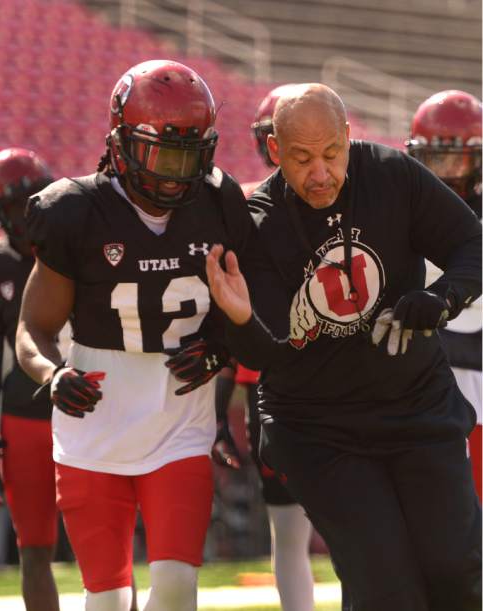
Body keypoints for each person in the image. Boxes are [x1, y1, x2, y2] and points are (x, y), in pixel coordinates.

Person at [204, 83, 482, 611]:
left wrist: (443, 297)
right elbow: (267, 354)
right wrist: (239, 319)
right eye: (303, 159)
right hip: (320, 429)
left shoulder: (391, 174)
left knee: (458, 571)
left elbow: (473, 243)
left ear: (348, 139)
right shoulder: (259, 220)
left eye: (332, 154)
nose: (320, 173)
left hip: (418, 407)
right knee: (388, 590)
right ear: (276, 152)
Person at [15, 59, 251, 611]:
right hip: (93, 424)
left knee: (176, 587)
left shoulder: (219, 203)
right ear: (121, 143)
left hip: (181, 420)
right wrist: (52, 374)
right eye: (164, 154)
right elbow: (35, 326)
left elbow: (244, 303)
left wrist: (218, 346)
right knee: (107, 597)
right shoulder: (75, 211)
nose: (176, 173)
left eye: (190, 157)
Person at [214, 83, 316, 611]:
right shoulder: (249, 206)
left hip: (339, 378)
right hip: (270, 386)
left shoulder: (345, 199)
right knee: (288, 525)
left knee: (350, 517)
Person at [0, 148, 59, 610]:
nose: (29, 216)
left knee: (105, 543)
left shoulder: (75, 244)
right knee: (34, 546)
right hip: (25, 415)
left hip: (90, 408)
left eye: (35, 202)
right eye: (17, 206)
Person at [406, 89, 482, 501]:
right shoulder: (401, 210)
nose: (449, 173)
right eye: (438, 159)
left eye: (459, 160)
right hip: (417, 383)